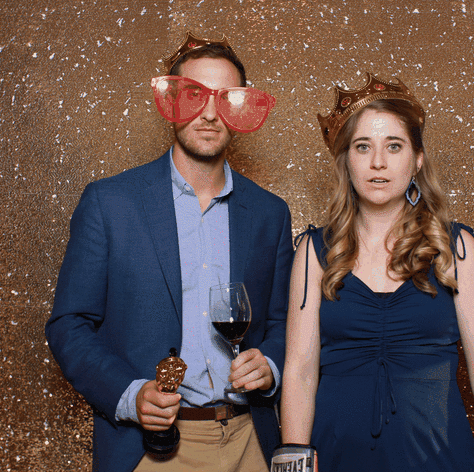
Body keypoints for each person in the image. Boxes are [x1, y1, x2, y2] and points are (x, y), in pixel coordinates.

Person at [46, 31, 293, 472]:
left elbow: (282, 323)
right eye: (194, 95)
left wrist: (271, 364)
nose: (210, 114)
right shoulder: (110, 203)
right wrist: (129, 395)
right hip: (151, 450)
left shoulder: (270, 213)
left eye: (225, 99)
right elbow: (70, 324)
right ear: (171, 102)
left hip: (248, 443)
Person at [280, 73, 474, 471]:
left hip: (438, 456)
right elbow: (300, 369)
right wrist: (292, 456)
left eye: (394, 146)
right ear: (346, 160)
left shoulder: (456, 246)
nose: (378, 162)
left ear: (417, 159)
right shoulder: (314, 251)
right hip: (338, 455)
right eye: (363, 147)